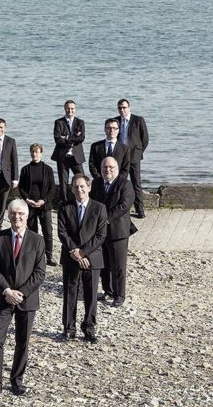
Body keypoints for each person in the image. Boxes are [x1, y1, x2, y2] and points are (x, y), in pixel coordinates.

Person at [0, 200, 46, 397]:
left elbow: (40, 273)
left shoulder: (37, 240)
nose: (16, 217)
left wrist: (21, 293)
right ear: (8, 215)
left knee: (22, 342)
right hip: (4, 297)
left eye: (20, 214)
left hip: (27, 299)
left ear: (27, 216)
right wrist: (7, 290)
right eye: (13, 213)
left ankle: (17, 381)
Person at [57, 175, 107, 343]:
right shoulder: (65, 207)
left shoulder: (99, 208)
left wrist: (83, 253)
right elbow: (62, 232)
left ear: (89, 187)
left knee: (91, 295)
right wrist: (74, 251)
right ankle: (68, 329)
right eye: (76, 187)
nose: (79, 190)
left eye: (82, 186)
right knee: (70, 293)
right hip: (70, 255)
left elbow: (100, 235)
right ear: (72, 189)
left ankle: (89, 328)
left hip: (92, 257)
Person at [91, 157, 137, 308]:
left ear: (117, 168)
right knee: (104, 263)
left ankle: (119, 295)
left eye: (111, 167)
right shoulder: (96, 183)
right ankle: (108, 290)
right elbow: (92, 203)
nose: (108, 170)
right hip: (101, 232)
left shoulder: (125, 184)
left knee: (118, 265)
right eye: (105, 167)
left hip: (118, 231)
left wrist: (105, 219)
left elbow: (124, 205)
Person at [18, 143, 57, 266]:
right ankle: (34, 256)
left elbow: (52, 188)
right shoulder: (25, 169)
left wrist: (44, 200)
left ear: (41, 153)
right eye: (32, 152)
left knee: (48, 231)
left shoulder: (48, 169)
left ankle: (49, 256)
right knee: (32, 232)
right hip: (30, 205)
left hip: (44, 205)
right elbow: (21, 187)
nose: (34, 154)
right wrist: (27, 199)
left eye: (37, 152)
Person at [115, 98, 150, 218]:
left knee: (136, 183)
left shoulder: (138, 120)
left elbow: (145, 139)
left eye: (124, 107)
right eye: (120, 108)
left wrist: (138, 152)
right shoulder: (115, 121)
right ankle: (120, 209)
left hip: (134, 156)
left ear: (129, 108)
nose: (122, 110)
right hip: (120, 157)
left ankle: (140, 210)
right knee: (119, 183)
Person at [51, 100, 86, 204]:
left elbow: (81, 138)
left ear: (75, 109)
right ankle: (63, 202)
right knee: (63, 181)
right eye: (68, 108)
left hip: (76, 156)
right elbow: (57, 139)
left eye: (72, 108)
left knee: (82, 178)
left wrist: (66, 138)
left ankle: (82, 200)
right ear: (64, 109)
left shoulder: (80, 122)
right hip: (62, 156)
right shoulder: (59, 122)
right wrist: (73, 138)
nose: (70, 110)